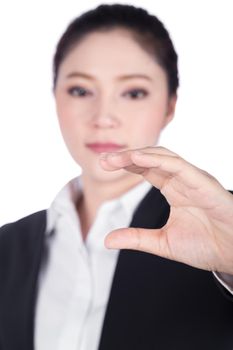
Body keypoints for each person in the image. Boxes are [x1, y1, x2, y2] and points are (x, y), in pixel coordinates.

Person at [0, 4, 233, 350]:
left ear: (170, 105)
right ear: (55, 97)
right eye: (80, 90)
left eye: (133, 92)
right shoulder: (7, 247)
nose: (103, 116)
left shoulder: (221, 226)